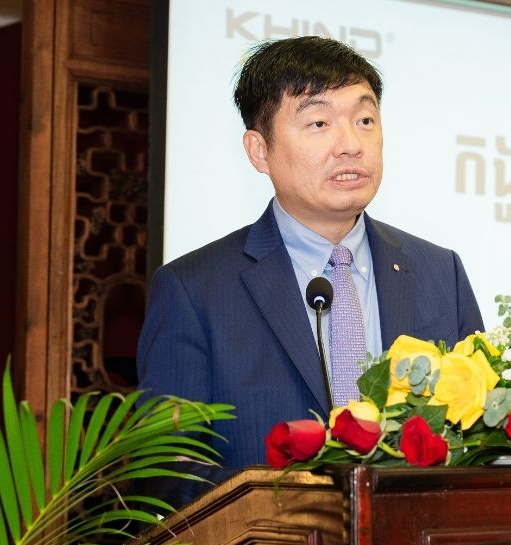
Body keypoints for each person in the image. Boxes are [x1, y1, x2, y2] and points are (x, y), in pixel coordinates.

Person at [137, 36, 484, 506]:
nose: (350, 145)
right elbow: (168, 477)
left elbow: (479, 443)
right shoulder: (194, 290)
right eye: (319, 123)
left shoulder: (441, 273)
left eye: (364, 121)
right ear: (259, 150)